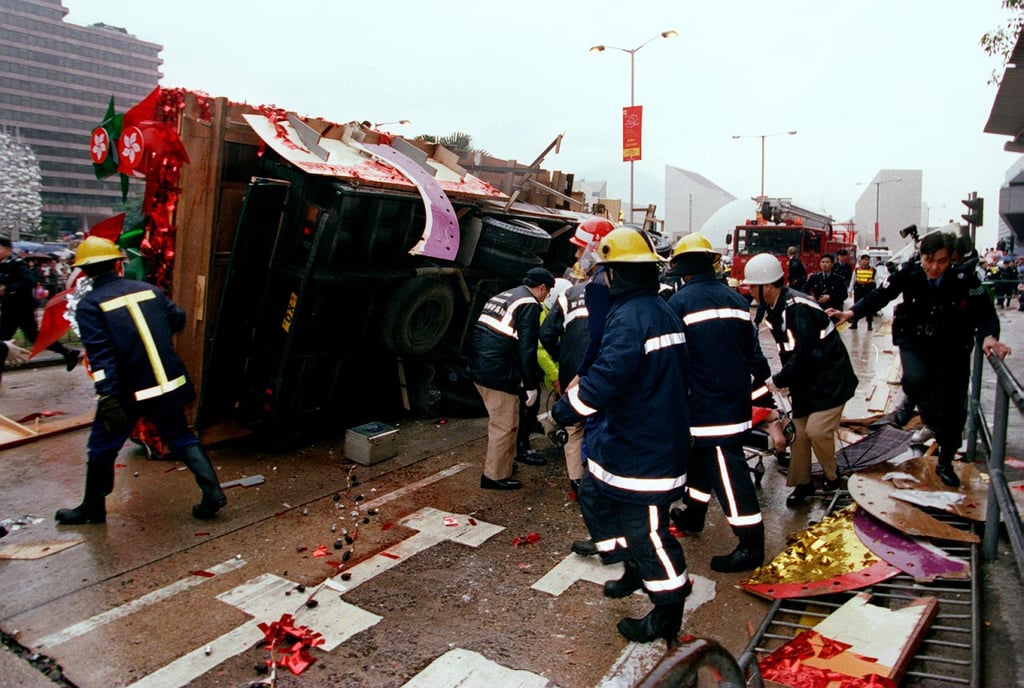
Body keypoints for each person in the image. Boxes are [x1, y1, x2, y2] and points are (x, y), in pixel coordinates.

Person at [551, 226, 691, 645]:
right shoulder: (654, 308)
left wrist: (564, 410)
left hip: (644, 452)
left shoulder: (632, 317)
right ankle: (630, 562)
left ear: (620, 275)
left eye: (607, 271)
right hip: (628, 441)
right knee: (593, 493)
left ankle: (667, 609)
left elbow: (607, 378)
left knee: (648, 532)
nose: (603, 279)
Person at [55, 237, 226, 524]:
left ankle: (93, 508)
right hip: (167, 383)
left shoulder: (90, 305)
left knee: (102, 446)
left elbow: (102, 355)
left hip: (127, 390)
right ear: (117, 263)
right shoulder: (149, 290)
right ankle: (213, 493)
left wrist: (106, 394)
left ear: (83, 271)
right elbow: (178, 318)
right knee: (181, 436)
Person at [829, 232, 1011, 488]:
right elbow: (882, 295)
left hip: (952, 347)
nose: (935, 267)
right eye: (929, 260)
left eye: (942, 261)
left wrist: (990, 337)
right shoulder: (910, 273)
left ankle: (945, 462)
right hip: (916, 341)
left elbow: (985, 313)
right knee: (915, 381)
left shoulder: (964, 278)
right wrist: (851, 312)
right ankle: (930, 419)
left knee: (953, 407)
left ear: (950, 260)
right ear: (921, 256)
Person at [665, 233, 765, 573]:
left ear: (681, 268)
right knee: (700, 459)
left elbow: (674, 361)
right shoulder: (736, 300)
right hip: (734, 400)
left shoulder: (679, 303)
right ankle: (693, 514)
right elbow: (756, 356)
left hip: (705, 407)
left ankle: (751, 544)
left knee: (726, 471)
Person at [743, 253, 858, 507]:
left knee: (817, 430)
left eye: (752, 285)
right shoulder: (775, 308)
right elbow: (789, 351)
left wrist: (780, 380)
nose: (749, 290)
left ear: (768, 285)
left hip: (831, 381)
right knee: (799, 434)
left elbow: (803, 354)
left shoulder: (797, 308)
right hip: (807, 382)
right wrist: (787, 383)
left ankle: (832, 477)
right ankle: (802, 483)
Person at [468, 267, 554, 490]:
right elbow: (527, 348)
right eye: (548, 292)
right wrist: (530, 384)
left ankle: (504, 462)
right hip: (498, 372)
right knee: (505, 425)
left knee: (502, 419)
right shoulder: (530, 304)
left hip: (479, 365)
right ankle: (494, 476)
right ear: (542, 287)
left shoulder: (506, 295)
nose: (546, 298)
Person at [0, 237, 80, 386]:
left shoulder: (16, 264)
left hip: (20, 307)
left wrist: (7, 288)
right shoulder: (3, 266)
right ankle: (68, 352)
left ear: (8, 249)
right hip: (10, 307)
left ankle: (68, 352)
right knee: (30, 336)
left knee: (4, 339)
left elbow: (29, 281)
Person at [538, 277, 590, 495]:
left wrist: (563, 355)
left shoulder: (568, 295)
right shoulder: (620, 291)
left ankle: (577, 481)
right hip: (605, 366)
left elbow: (546, 334)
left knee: (575, 425)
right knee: (606, 421)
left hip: (571, 370)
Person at [849, 253, 877, 330]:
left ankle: (869, 324)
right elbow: (853, 280)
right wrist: (850, 290)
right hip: (859, 289)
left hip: (868, 289)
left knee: (869, 307)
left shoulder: (873, 270)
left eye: (867, 260)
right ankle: (854, 323)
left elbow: (876, 281)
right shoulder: (857, 270)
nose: (866, 261)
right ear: (860, 261)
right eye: (864, 260)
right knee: (857, 306)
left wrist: (876, 291)